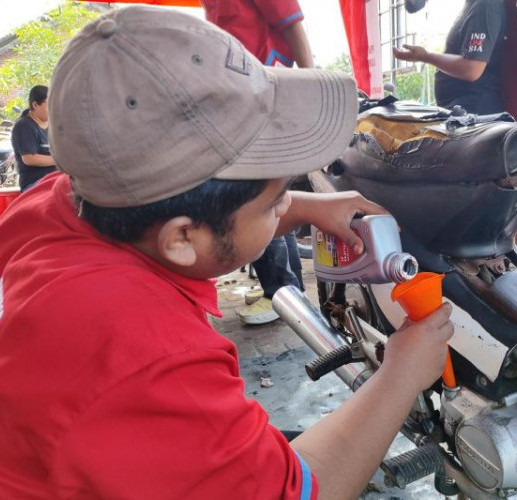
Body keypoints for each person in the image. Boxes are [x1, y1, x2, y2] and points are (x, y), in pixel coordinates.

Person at [0, 7, 454, 499]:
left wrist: (307, 204)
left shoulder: (59, 202)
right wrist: (402, 374)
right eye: (274, 199)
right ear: (180, 240)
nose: (285, 205)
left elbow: (209, 219)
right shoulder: (149, 358)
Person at [202, 0, 314, 325]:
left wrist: (308, 85)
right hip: (238, 88)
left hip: (257, 85)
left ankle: (279, 291)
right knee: (270, 195)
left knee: (256, 194)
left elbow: (291, 23)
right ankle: (286, 289)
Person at [393, 0, 506, 114]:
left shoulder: (485, 5)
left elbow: (472, 68)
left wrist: (425, 57)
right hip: (460, 111)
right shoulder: (473, 5)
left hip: (473, 114)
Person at [10, 85, 57, 192]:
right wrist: (60, 161)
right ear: (35, 105)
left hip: (54, 178)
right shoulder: (24, 126)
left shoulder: (52, 126)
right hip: (35, 183)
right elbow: (30, 158)